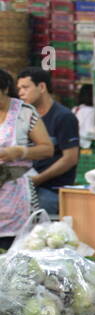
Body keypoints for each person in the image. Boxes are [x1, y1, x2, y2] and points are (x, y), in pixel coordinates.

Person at [0, 68, 54, 249]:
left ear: (5, 89)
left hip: (16, 194)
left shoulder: (24, 113)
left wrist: (19, 152)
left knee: (15, 249)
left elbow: (47, 149)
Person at [17, 67, 80, 216]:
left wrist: (37, 180)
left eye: (25, 87)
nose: (20, 93)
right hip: (25, 186)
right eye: (18, 88)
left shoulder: (64, 117)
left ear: (42, 87)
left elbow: (70, 159)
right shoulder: (23, 117)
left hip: (51, 189)